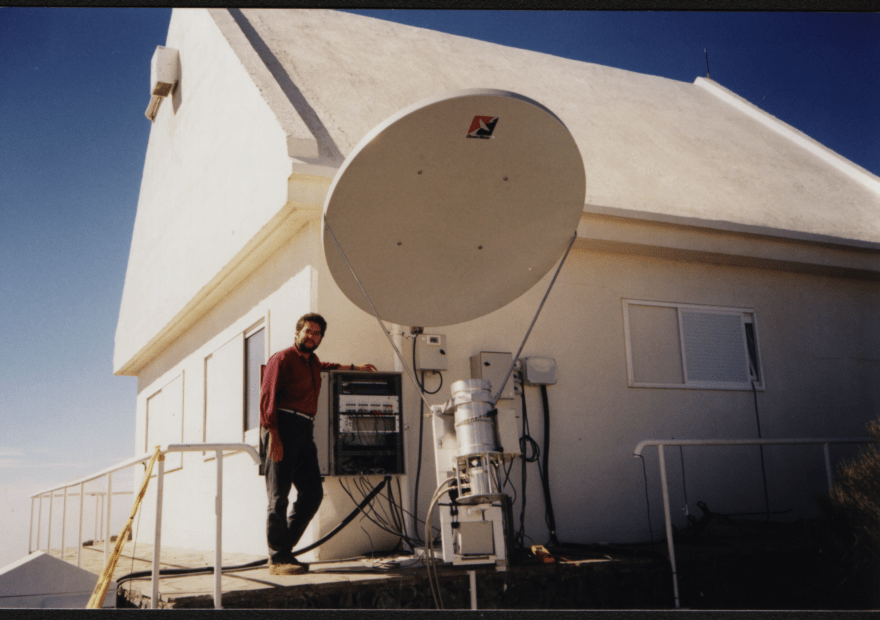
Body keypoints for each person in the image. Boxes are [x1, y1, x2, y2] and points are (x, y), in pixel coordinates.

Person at [259, 313, 376, 575]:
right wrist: (274, 437)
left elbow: (327, 365)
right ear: (297, 333)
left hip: (305, 430)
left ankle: (284, 549)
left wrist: (354, 368)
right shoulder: (281, 359)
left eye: (317, 333)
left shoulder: (313, 362)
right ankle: (278, 559)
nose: (312, 337)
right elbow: (267, 398)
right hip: (282, 426)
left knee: (312, 494)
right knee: (279, 496)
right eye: (308, 331)